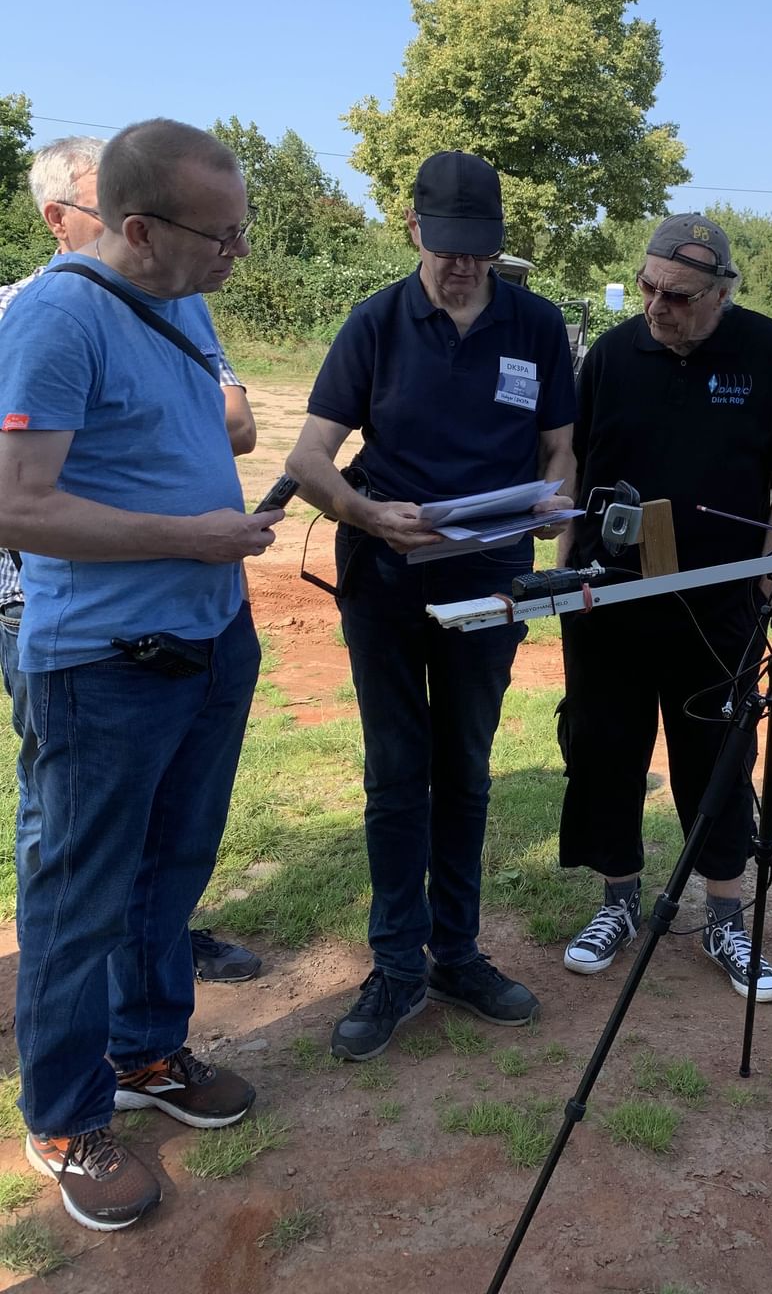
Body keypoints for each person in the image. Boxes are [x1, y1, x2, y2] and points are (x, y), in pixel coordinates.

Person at [0, 119, 284, 1230]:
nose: (238, 254)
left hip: (209, 640)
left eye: (242, 230)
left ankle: (147, 1051)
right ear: (139, 227)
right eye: (222, 236)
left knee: (172, 869)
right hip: (104, 666)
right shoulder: (56, 318)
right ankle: (64, 1119)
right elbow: (18, 507)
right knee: (80, 895)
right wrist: (189, 538)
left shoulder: (185, 299)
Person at [286, 150, 575, 1061]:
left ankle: (456, 954)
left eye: (478, 250)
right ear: (414, 229)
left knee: (466, 766)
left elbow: (561, 450)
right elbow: (307, 460)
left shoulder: (537, 324)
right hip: (386, 575)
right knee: (395, 769)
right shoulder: (375, 323)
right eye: (447, 248)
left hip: (488, 578)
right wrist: (367, 513)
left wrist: (553, 503)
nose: (462, 266)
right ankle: (394, 966)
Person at [556, 213, 772, 1001]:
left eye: (678, 296)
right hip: (610, 600)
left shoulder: (771, 353)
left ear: (721, 293)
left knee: (718, 757)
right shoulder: (611, 355)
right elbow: (573, 469)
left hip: (720, 605)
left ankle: (725, 918)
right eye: (648, 288)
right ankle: (618, 903)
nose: (657, 306)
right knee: (606, 750)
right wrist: (563, 576)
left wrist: (765, 580)